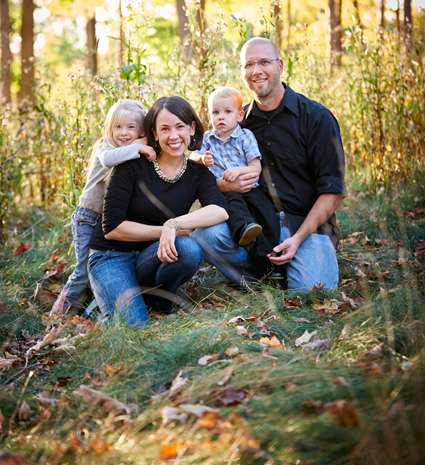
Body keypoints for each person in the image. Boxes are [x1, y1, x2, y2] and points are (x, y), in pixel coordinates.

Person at [192, 37, 346, 290]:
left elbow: (333, 191)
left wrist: (297, 239)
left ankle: (291, 264)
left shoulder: (316, 118)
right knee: (206, 236)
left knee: (314, 289)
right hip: (256, 222)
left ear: (280, 65)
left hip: (305, 225)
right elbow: (206, 175)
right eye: (249, 65)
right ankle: (261, 274)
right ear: (242, 71)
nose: (256, 71)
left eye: (264, 62)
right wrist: (223, 186)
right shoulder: (236, 123)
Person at [87, 96, 229, 325]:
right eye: (165, 129)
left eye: (180, 126)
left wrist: (173, 225)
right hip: (111, 256)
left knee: (189, 249)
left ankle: (159, 301)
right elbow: (112, 228)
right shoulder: (131, 164)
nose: (174, 136)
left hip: (152, 256)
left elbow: (220, 210)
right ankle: (103, 301)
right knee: (135, 328)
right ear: (153, 133)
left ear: (192, 128)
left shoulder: (197, 173)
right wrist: (163, 231)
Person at [51, 100, 156, 316]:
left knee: (96, 271)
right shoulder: (106, 145)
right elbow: (108, 160)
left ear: (142, 130)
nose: (123, 133)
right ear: (110, 128)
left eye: (130, 127)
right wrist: (138, 145)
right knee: (82, 270)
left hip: (105, 221)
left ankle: (88, 312)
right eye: (117, 127)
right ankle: (57, 315)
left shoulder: (131, 148)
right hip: (87, 217)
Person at [190, 86, 280, 260]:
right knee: (232, 202)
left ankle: (268, 257)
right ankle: (244, 229)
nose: (221, 116)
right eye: (215, 112)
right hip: (224, 192)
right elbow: (193, 156)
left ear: (240, 116)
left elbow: (256, 168)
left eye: (227, 111)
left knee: (266, 212)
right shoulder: (208, 139)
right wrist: (202, 160)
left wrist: (238, 170)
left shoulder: (245, 136)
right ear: (210, 117)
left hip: (250, 189)